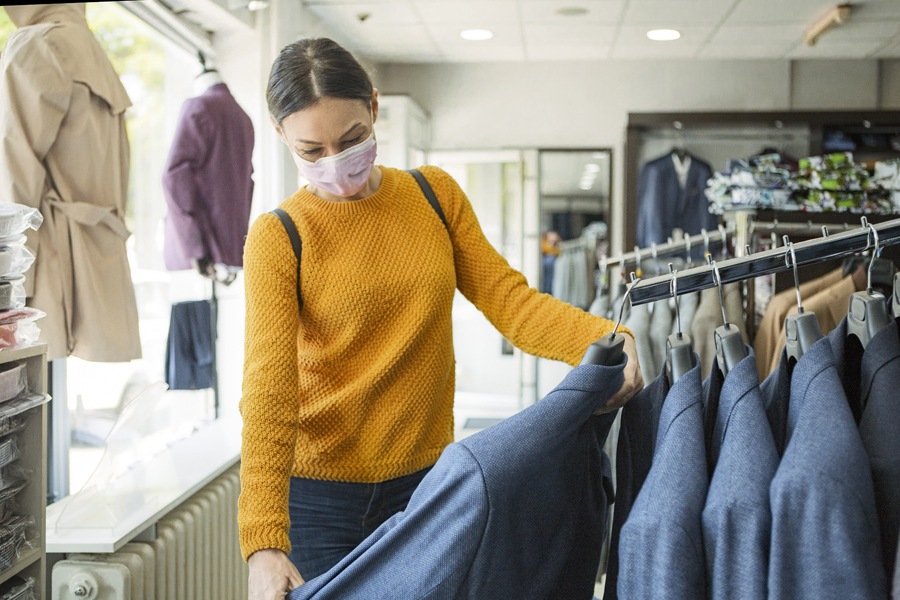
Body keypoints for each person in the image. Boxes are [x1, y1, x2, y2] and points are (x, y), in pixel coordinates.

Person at [240, 37, 644, 600]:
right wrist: (264, 542)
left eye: (352, 139)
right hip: (318, 501)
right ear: (282, 137)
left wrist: (606, 339)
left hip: (428, 487)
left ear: (375, 109)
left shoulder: (434, 196)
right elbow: (269, 390)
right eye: (312, 150)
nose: (336, 162)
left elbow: (511, 301)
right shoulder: (278, 237)